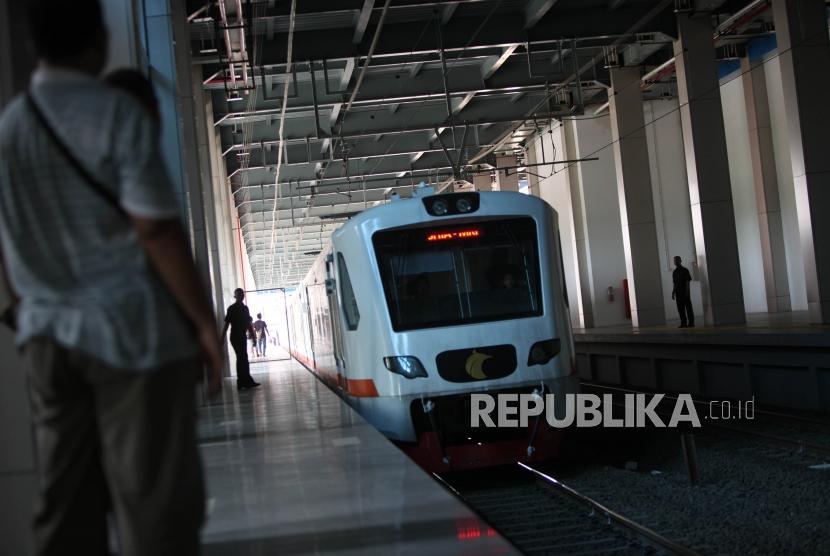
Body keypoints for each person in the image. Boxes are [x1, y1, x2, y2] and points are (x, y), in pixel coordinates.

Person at [0, 1, 222, 554]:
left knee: (66, 502)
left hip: (49, 339)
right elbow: (155, 230)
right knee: (153, 501)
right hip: (132, 337)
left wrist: (19, 306)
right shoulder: (114, 114)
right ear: (97, 38)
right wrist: (202, 324)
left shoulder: (10, 127)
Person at [221, 288, 260, 389]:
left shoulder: (245, 308)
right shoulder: (232, 308)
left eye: (242, 294)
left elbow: (248, 324)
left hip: (242, 336)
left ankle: (244, 381)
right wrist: (221, 338)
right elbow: (226, 324)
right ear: (235, 296)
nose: (241, 296)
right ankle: (243, 381)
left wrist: (254, 337)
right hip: (235, 336)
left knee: (243, 358)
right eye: (239, 294)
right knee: (241, 357)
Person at [672, 256, 695, 328]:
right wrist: (673, 292)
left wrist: (687, 292)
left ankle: (691, 323)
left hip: (684, 293)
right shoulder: (674, 272)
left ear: (680, 261)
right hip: (678, 293)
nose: (675, 261)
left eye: (677, 260)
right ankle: (683, 323)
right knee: (680, 309)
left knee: (688, 308)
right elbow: (675, 283)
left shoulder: (685, 270)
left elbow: (687, 282)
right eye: (675, 260)